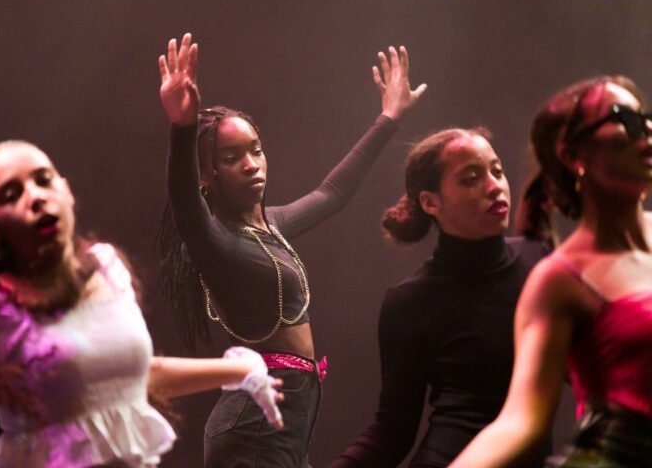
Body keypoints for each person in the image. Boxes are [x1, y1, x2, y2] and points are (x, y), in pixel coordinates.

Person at [0, 139, 283, 468]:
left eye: (43, 180)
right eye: (12, 193)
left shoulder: (106, 270)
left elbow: (130, 376)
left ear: (67, 191)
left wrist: (242, 369)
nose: (35, 197)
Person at [157, 32, 426, 467]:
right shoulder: (215, 241)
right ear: (208, 174)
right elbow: (184, 198)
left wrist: (389, 117)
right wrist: (183, 127)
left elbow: (333, 193)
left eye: (256, 151)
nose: (251, 164)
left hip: (286, 418)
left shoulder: (273, 226)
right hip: (251, 426)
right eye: (231, 158)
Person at [449, 76, 652, 468]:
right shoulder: (560, 279)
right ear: (573, 153)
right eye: (623, 117)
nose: (645, 129)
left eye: (645, 117)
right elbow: (519, 421)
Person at [328, 126, 552, 468]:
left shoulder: (543, 263)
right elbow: (392, 433)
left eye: (497, 171)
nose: (495, 186)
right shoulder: (409, 301)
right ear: (430, 202)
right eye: (471, 178)